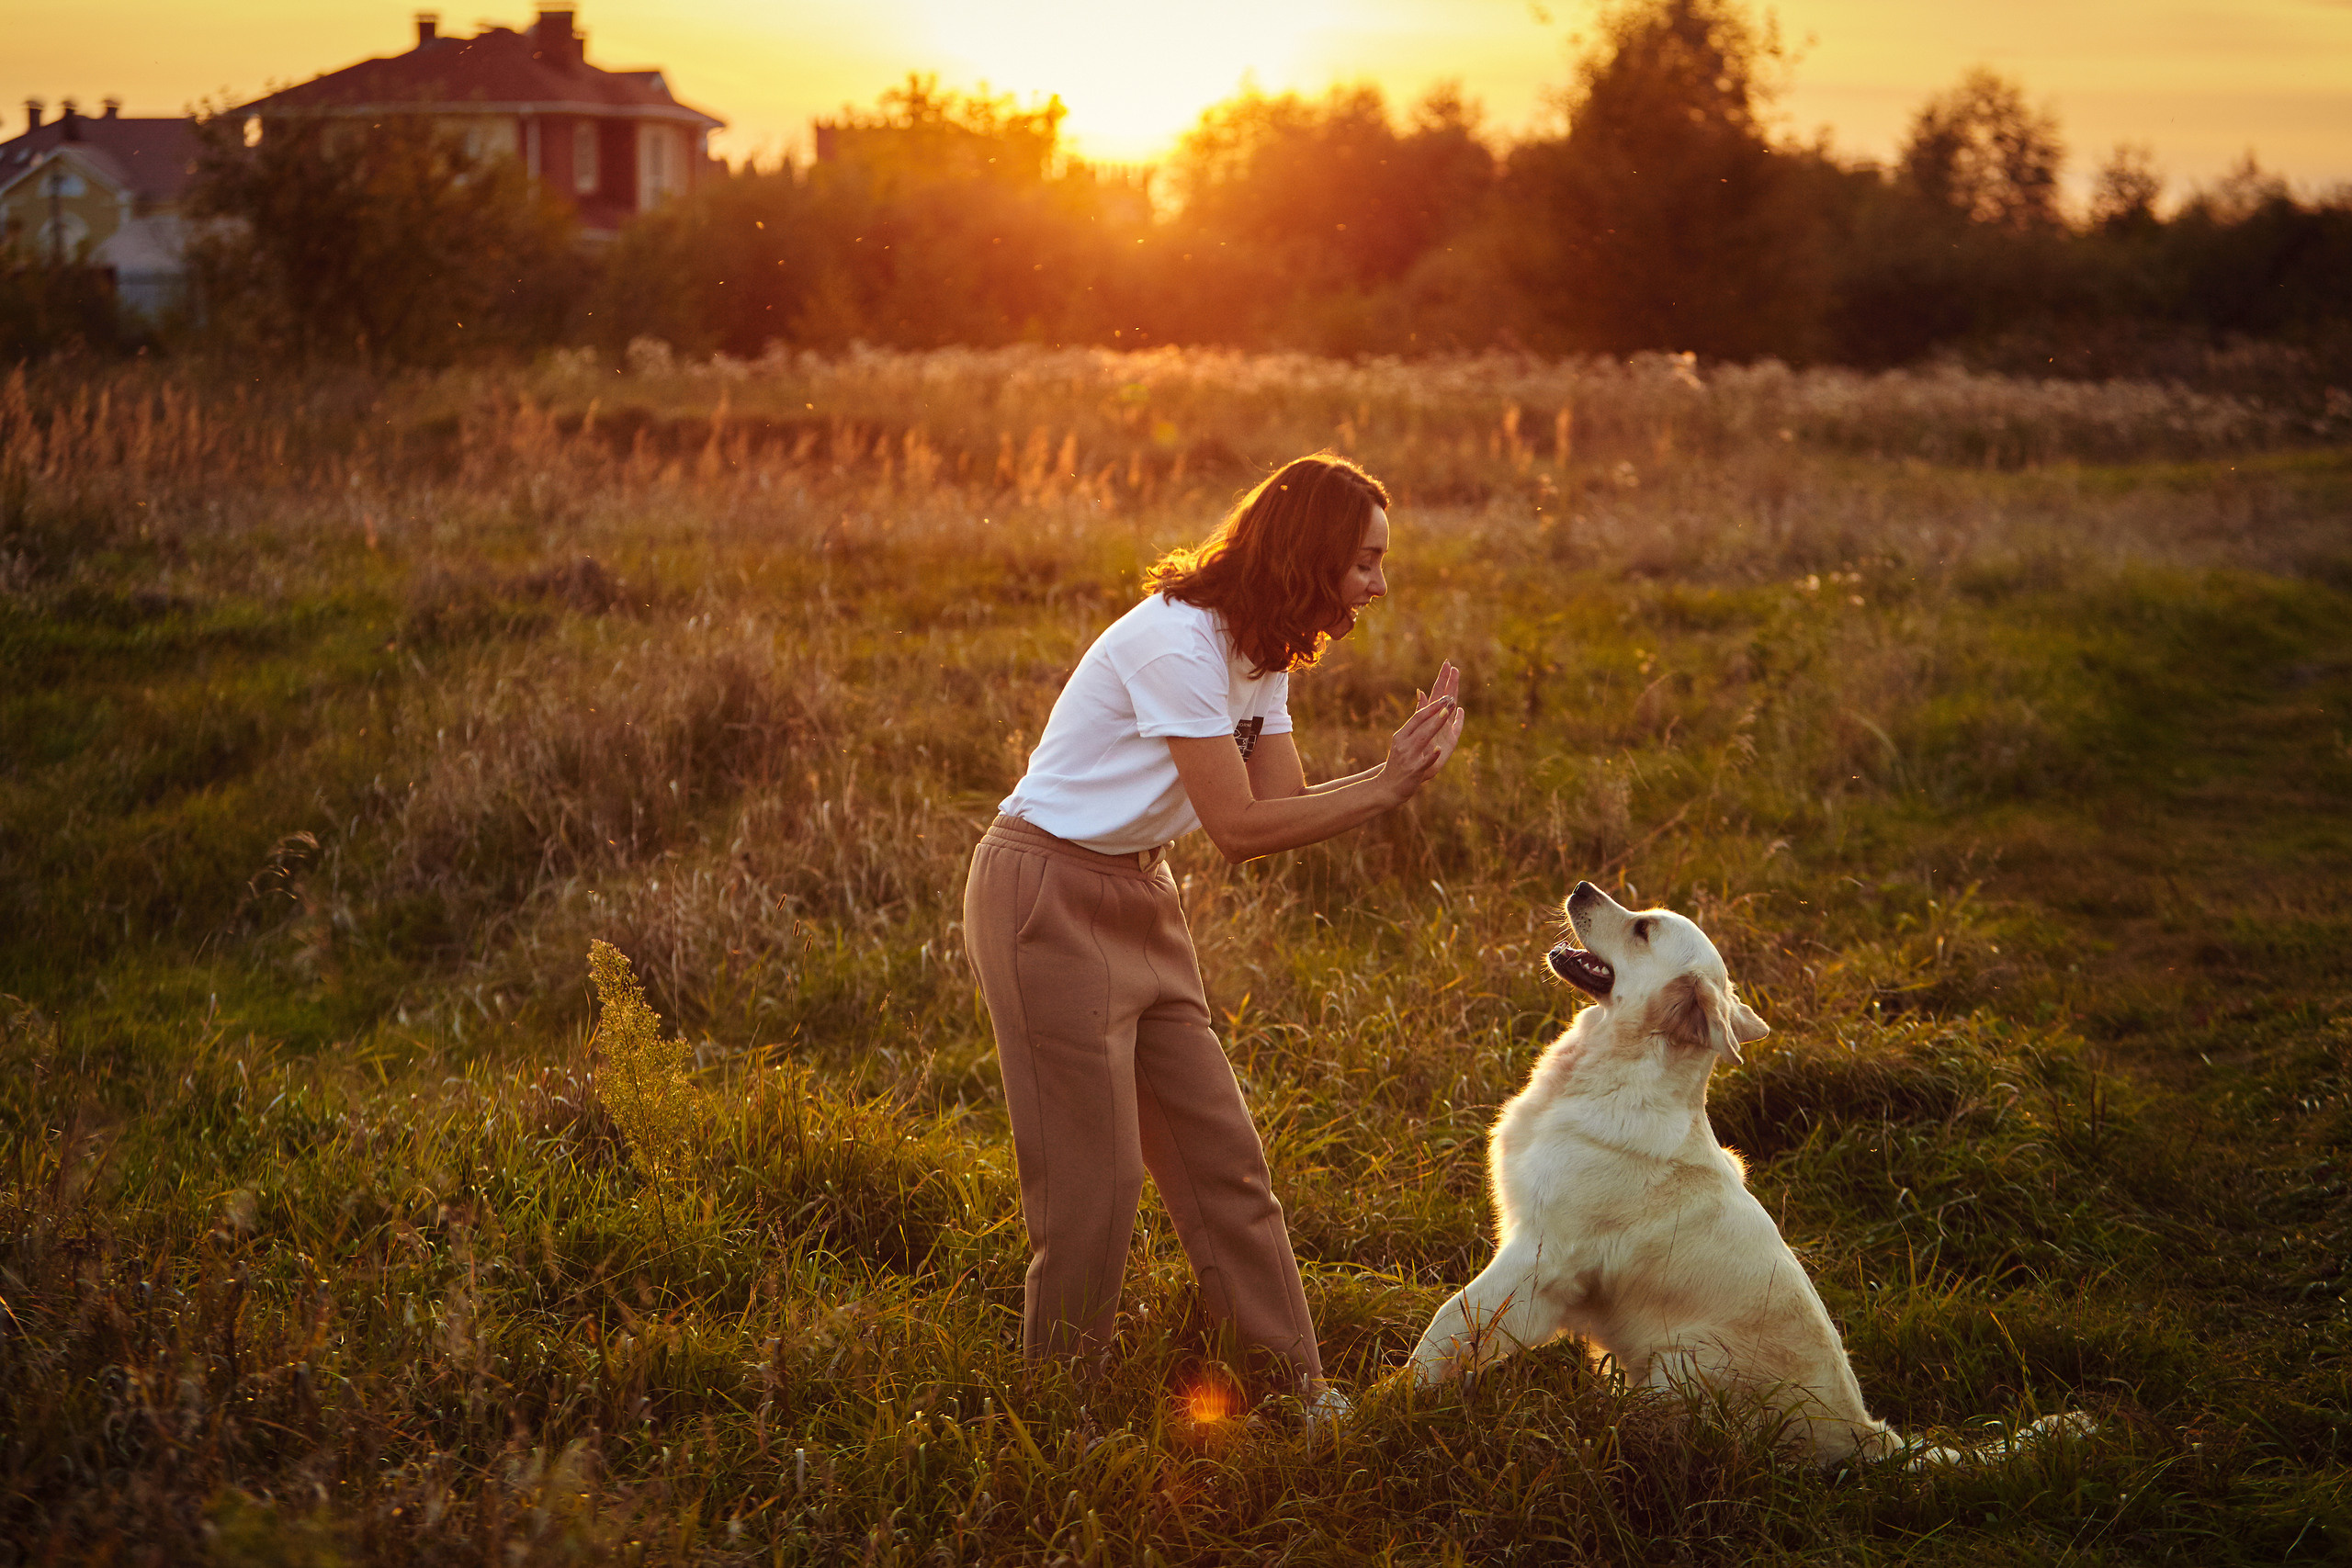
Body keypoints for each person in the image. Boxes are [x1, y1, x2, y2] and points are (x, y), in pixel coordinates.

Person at [962, 453, 1467, 1407]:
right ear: (1312, 551)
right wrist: (1387, 784)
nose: (1379, 583)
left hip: (1142, 896)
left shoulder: (1257, 653)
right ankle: (1060, 1416)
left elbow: (1280, 804)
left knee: (1223, 1162)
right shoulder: (1178, 645)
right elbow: (1236, 832)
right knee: (1092, 1192)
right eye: (1364, 560)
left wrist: (1388, 777)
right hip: (1043, 898)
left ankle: (1296, 1395)